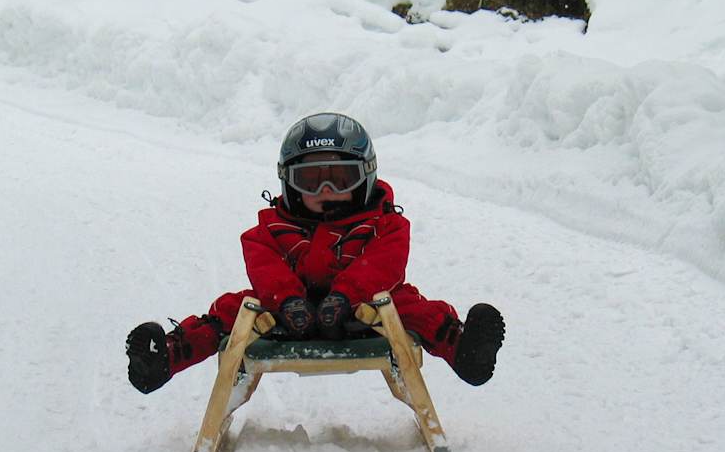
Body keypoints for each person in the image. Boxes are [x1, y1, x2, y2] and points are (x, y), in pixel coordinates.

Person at [126, 112, 504, 394]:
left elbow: (384, 264)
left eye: (340, 180)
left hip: (367, 311)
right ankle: (165, 356)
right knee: (231, 309)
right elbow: (264, 264)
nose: (326, 190)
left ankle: (466, 351)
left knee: (414, 307)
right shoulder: (272, 227)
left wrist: (347, 295)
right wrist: (288, 299)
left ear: (364, 178)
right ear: (289, 184)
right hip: (288, 313)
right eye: (310, 181)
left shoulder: (384, 223)